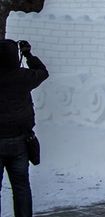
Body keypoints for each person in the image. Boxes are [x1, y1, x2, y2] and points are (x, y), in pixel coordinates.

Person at [0, 39, 48, 217]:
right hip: (21, 141)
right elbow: (42, 72)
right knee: (21, 188)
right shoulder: (23, 77)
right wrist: (28, 54)